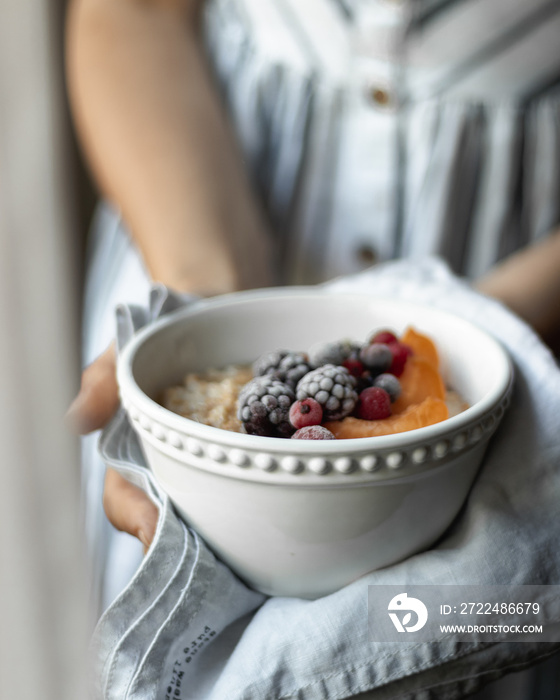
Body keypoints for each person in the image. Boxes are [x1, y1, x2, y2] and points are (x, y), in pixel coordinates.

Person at [65, 0, 560, 693]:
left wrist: (492, 330)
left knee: (490, 621)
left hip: (531, 266)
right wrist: (206, 310)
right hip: (198, 194)